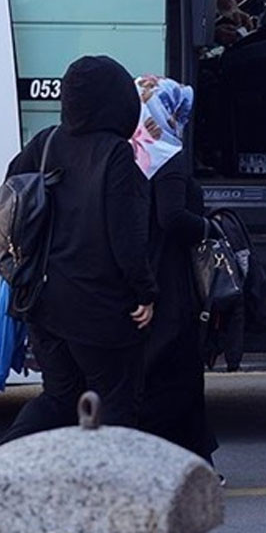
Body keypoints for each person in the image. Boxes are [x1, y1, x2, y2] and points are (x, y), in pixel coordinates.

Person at [1, 56, 157, 443]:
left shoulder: (46, 141)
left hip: (41, 299)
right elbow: (126, 234)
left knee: (59, 397)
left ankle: (7, 465)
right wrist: (144, 292)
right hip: (98, 306)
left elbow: (12, 199)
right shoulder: (116, 154)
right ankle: (115, 494)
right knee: (117, 403)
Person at [133, 76, 218, 464]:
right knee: (177, 374)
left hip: (146, 271)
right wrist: (206, 227)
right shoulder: (166, 155)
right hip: (170, 279)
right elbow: (172, 218)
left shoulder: (135, 151)